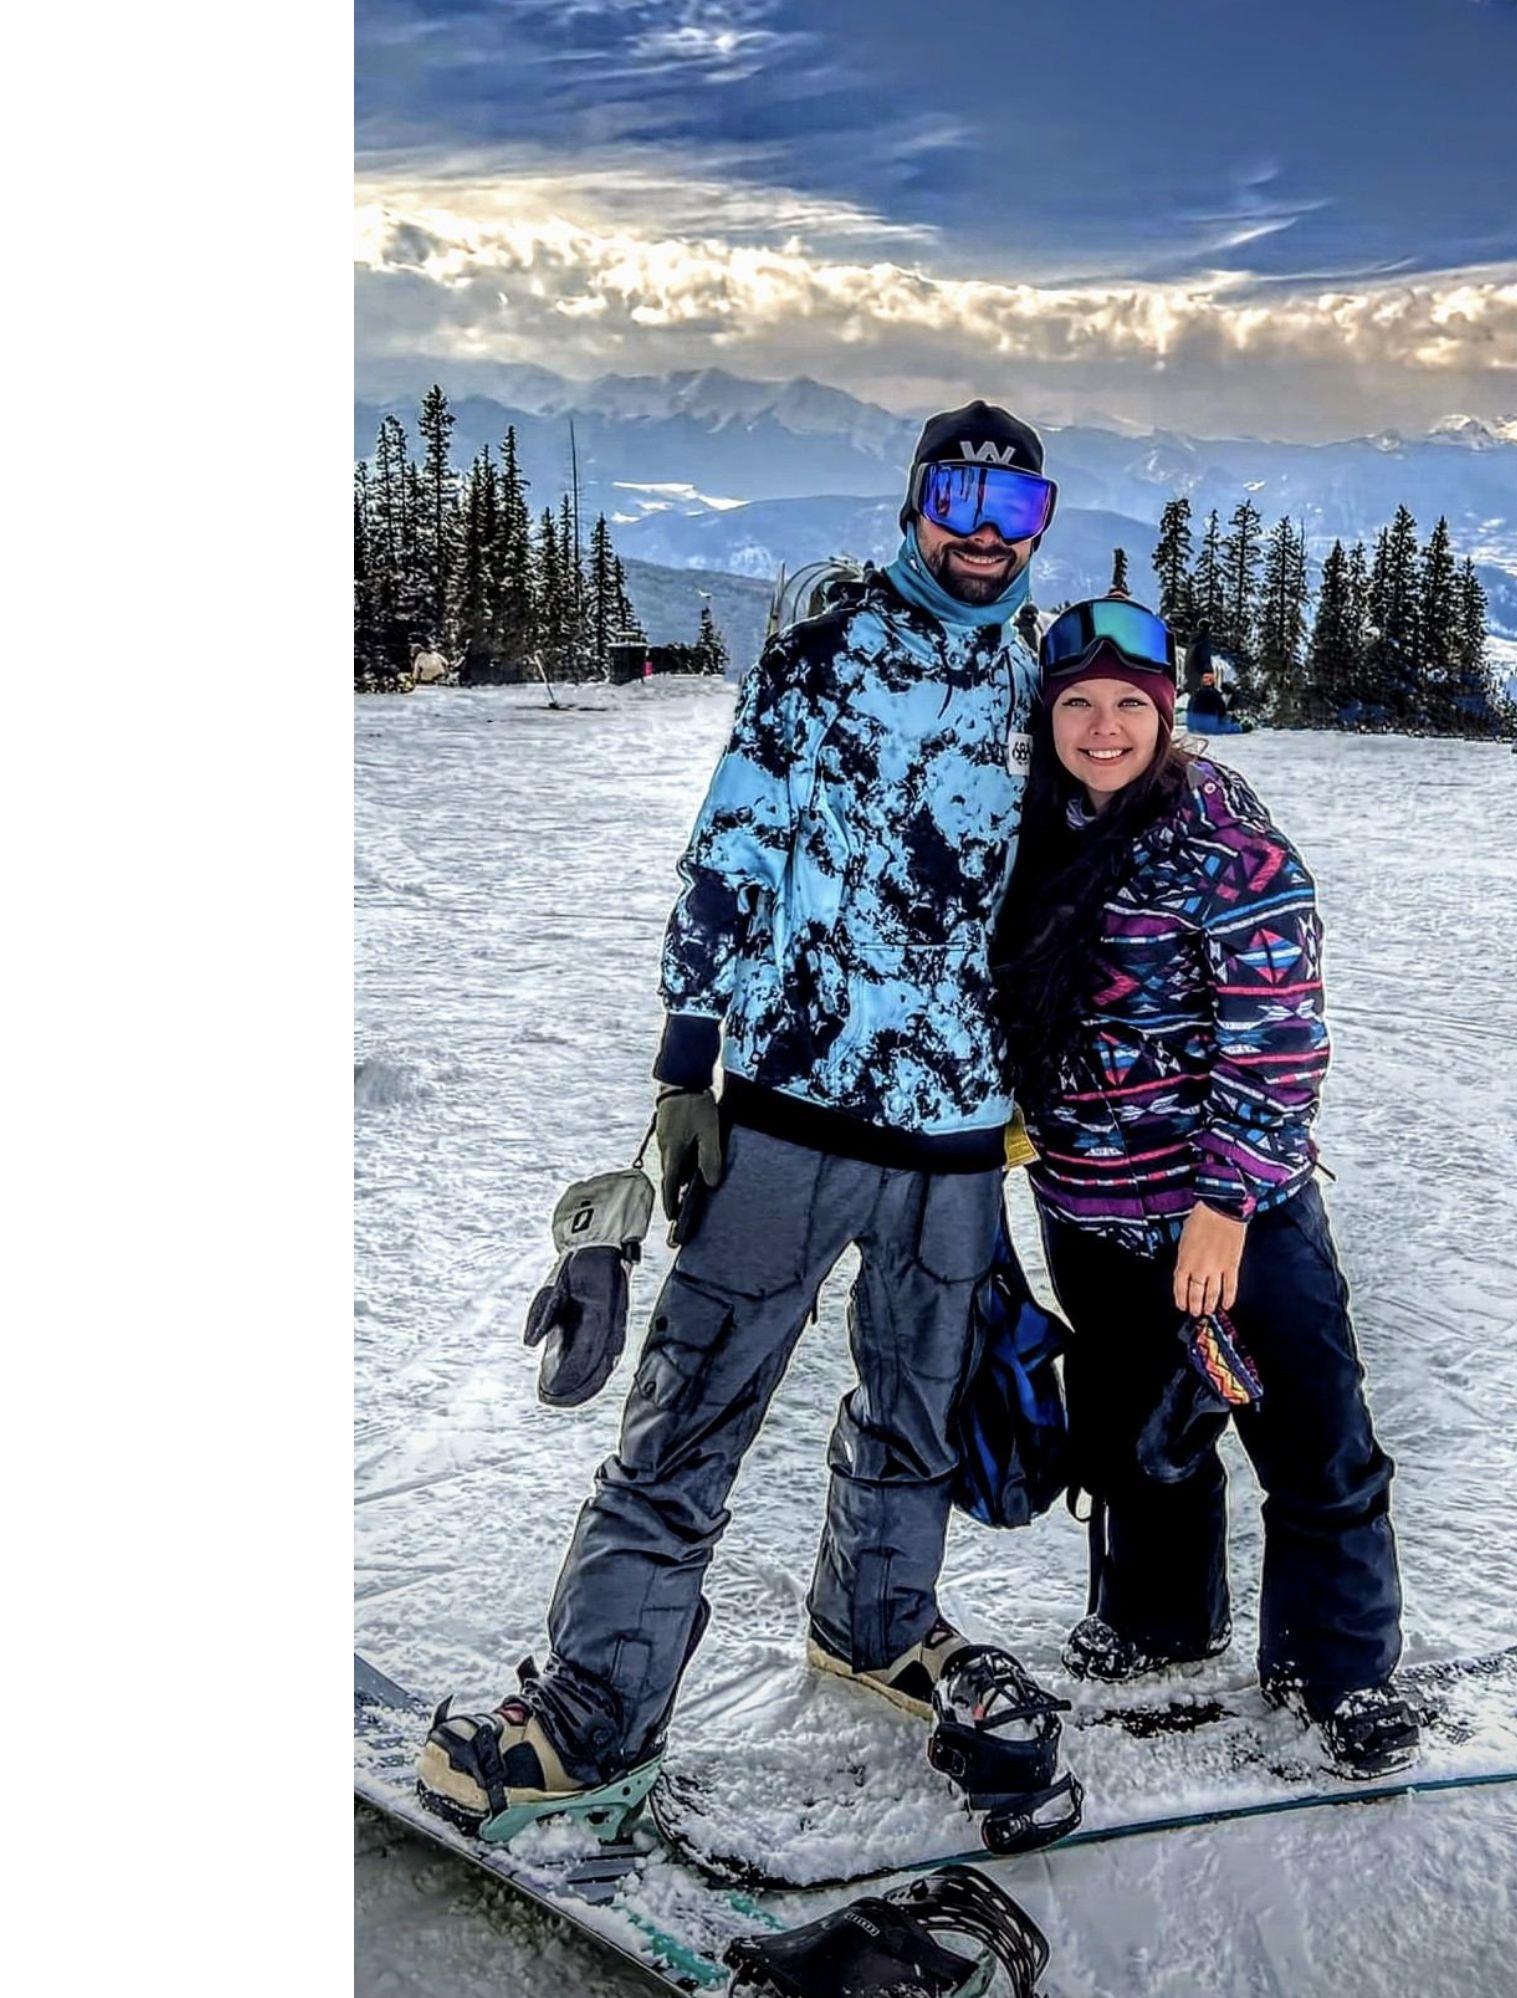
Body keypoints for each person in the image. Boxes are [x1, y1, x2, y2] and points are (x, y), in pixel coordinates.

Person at [419, 402, 1068, 1836]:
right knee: (689, 1413)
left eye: (1014, 510)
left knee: (916, 1411)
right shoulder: (821, 656)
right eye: (958, 499)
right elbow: (730, 858)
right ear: (914, 505)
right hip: (792, 1111)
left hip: (957, 1136)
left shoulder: (1040, 684)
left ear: (1039, 528)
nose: (982, 534)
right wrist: (682, 1069)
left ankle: (876, 1620)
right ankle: (598, 1702)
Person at [989, 595, 1418, 1781]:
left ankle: (1339, 1670)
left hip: (1234, 1214)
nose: (1105, 728)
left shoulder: (1220, 833)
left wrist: (1225, 1207)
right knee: (1139, 1441)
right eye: (1079, 704)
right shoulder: (1030, 831)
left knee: (1312, 1438)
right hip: (1088, 1207)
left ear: (1167, 713)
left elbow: (1278, 1036)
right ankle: (1160, 1624)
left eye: (1131, 705)